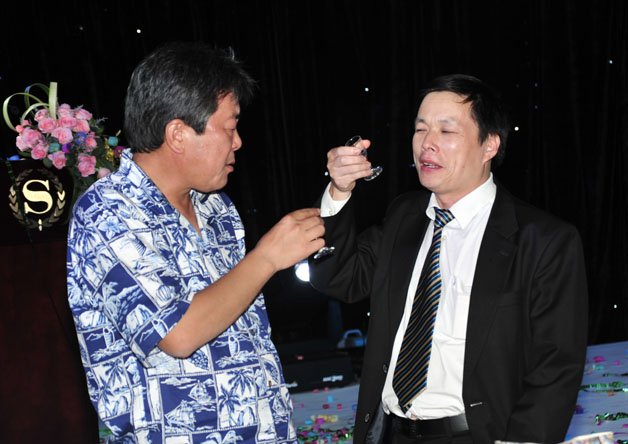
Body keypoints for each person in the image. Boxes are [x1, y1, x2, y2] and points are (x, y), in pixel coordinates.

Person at [66, 42, 325, 444]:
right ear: (178, 134)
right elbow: (178, 334)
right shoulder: (106, 212)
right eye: (229, 128)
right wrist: (268, 257)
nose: (238, 142)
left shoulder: (217, 208)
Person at [309, 74, 588, 444]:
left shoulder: (542, 240)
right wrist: (339, 191)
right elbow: (338, 278)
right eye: (420, 129)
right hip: (391, 432)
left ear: (489, 145)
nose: (427, 143)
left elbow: (556, 365)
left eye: (446, 130)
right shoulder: (404, 216)